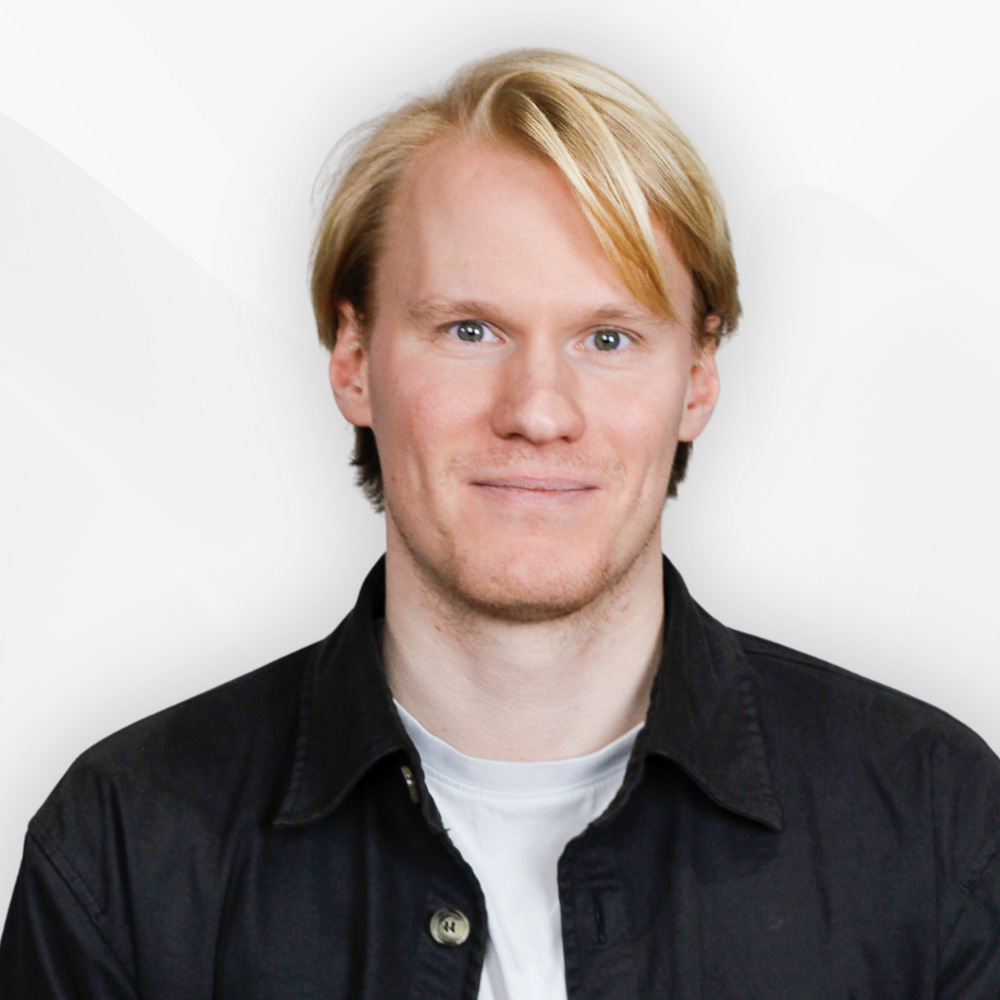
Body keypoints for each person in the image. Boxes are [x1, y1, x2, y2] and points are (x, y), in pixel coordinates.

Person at [1, 47, 997, 1000]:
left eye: (607, 337)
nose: (537, 408)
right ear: (353, 359)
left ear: (696, 381)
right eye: (468, 331)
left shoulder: (935, 820)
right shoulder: (127, 846)